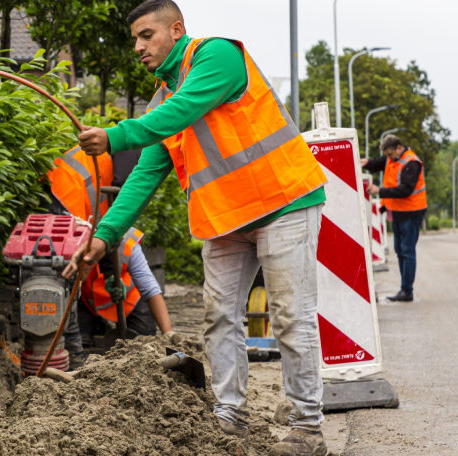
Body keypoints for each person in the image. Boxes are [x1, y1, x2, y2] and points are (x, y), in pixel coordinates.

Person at [64, 1, 329, 455]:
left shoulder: (217, 56)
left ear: (176, 29)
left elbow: (184, 110)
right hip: (226, 220)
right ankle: (230, 418)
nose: (138, 47)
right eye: (134, 39)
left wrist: (116, 135)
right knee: (220, 317)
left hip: (282, 202)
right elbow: (146, 174)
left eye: (147, 35)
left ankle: (307, 427)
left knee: (290, 317)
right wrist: (103, 236)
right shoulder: (162, 100)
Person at [48, 146, 171, 368]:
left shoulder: (126, 242)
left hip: (129, 302)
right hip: (88, 302)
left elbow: (150, 288)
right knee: (81, 337)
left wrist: (169, 334)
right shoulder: (76, 244)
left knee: (144, 339)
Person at [361, 134, 426, 302]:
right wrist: (366, 163)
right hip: (398, 212)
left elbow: (405, 190)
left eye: (390, 154)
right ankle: (404, 289)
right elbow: (379, 162)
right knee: (399, 250)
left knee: (407, 250)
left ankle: (407, 291)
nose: (388, 158)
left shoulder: (411, 163)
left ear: (399, 148)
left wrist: (379, 191)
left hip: (412, 212)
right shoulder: (392, 158)